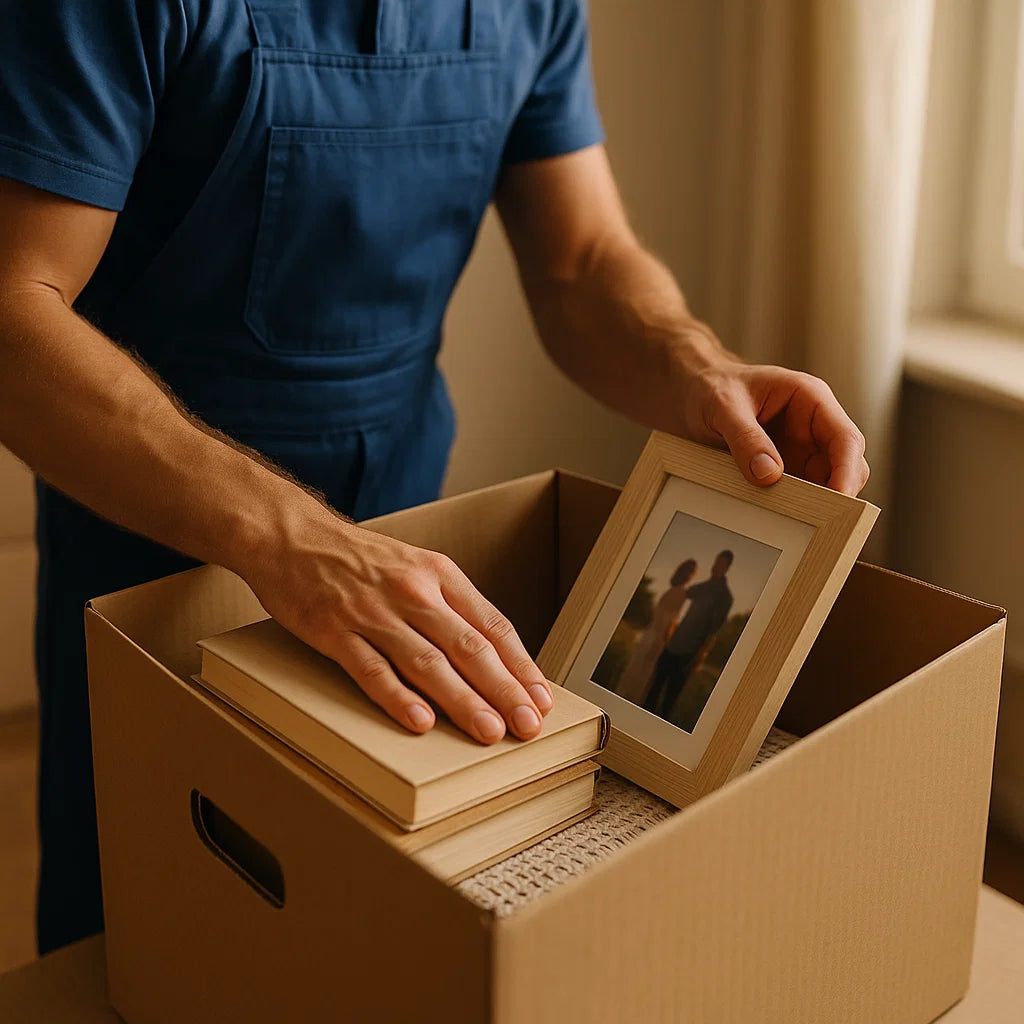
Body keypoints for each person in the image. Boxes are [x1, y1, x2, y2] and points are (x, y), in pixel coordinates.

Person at [0, 1, 869, 953]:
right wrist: (293, 540)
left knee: (377, 923)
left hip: (413, 512)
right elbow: (14, 308)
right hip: (158, 539)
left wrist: (698, 367)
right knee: (155, 916)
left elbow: (582, 261)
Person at [644, 551, 735, 721]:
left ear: (727, 568)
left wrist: (699, 657)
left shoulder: (725, 596)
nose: (715, 566)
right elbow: (685, 592)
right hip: (673, 645)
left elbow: (714, 632)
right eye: (716, 562)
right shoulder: (703, 587)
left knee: (669, 700)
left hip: (689, 653)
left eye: (721, 564)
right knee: (653, 689)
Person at [616, 560, 697, 706]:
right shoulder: (680, 594)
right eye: (692, 573)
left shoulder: (670, 591)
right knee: (642, 678)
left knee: (634, 673)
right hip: (657, 639)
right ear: (689, 575)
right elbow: (668, 622)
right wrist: (662, 642)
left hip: (649, 635)